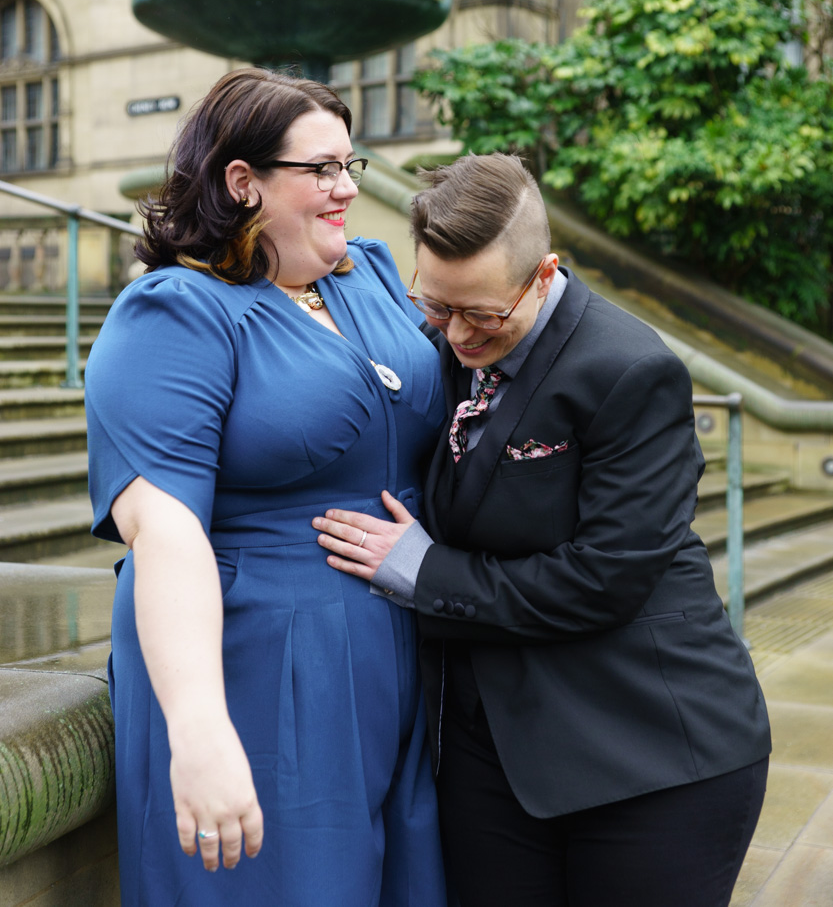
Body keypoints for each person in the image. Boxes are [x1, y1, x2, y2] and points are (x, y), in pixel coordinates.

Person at [314, 151, 771, 907]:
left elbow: (603, 579)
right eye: (436, 305)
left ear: (544, 273)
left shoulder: (630, 370)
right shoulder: (444, 345)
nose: (456, 336)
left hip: (647, 752)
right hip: (492, 754)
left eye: (484, 315)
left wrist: (427, 573)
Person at [84, 68, 449, 907]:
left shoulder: (371, 273)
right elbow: (166, 532)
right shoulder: (175, 313)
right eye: (319, 170)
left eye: (349, 164)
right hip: (264, 669)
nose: (347, 188)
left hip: (401, 656)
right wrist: (199, 727)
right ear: (242, 182)